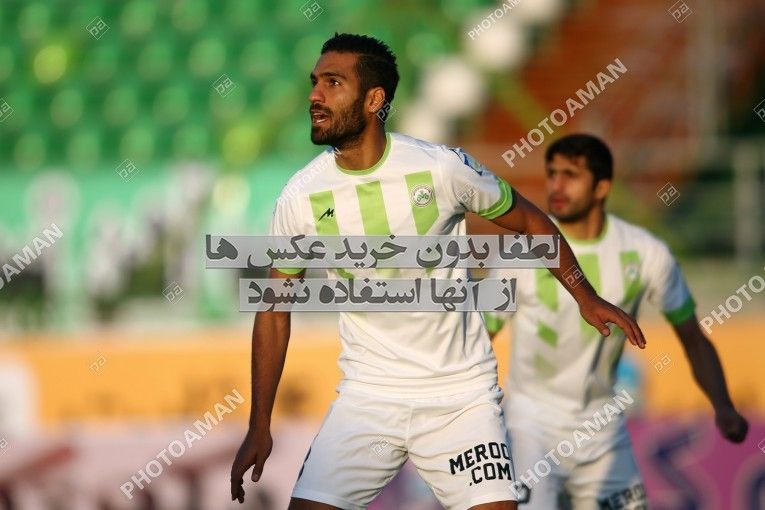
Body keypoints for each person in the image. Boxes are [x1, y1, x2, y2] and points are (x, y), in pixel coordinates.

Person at [230, 35, 645, 510]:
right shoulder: (300, 196)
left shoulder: (441, 169)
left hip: (460, 397)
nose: (314, 95)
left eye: (333, 82)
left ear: (374, 100)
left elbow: (530, 221)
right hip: (367, 398)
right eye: (314, 82)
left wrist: (584, 295)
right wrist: (259, 424)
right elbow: (274, 310)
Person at [484, 134, 749, 509]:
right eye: (552, 173)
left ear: (602, 187)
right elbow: (481, 337)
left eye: (570, 175)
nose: (556, 186)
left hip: (602, 429)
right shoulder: (518, 253)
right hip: (530, 427)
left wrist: (722, 405)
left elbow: (692, 337)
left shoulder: (645, 253)